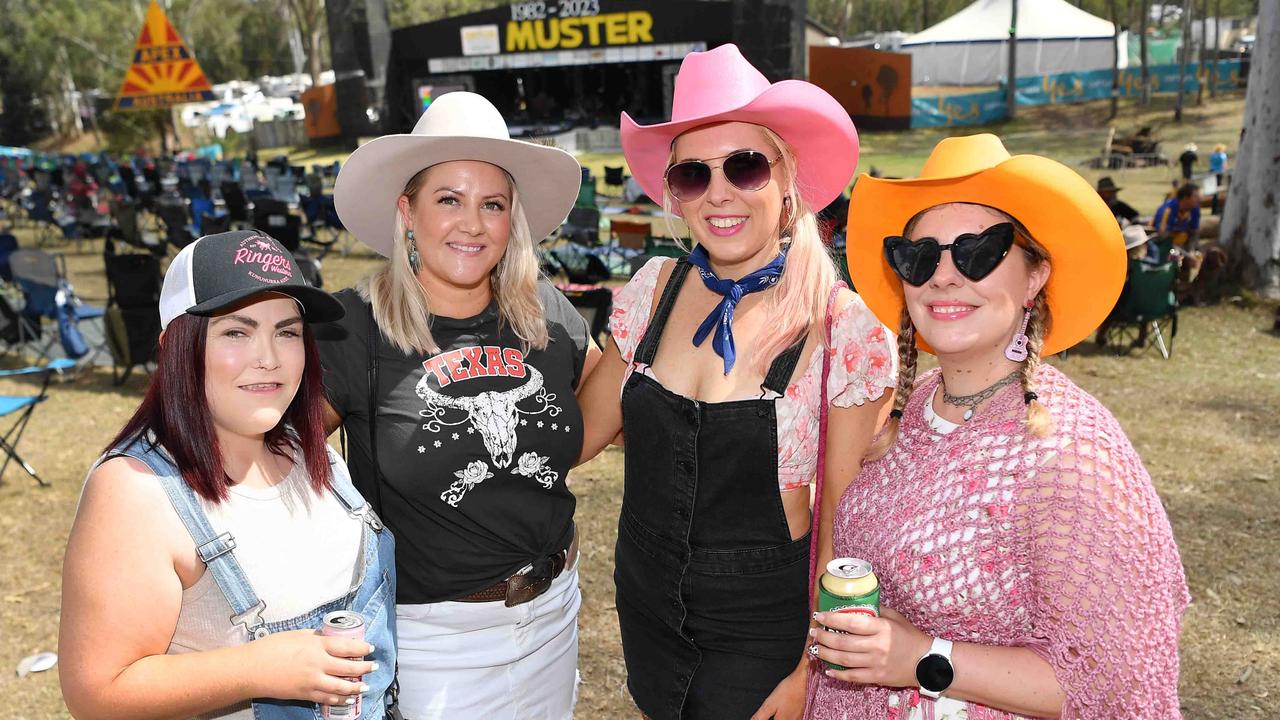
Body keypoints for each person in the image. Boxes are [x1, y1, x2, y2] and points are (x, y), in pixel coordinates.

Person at [810, 134, 1188, 719]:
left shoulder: (1071, 451)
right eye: (919, 257)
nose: (942, 277)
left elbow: (1111, 680)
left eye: (977, 251)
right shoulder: (903, 419)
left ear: (1035, 276)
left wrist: (922, 657)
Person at [576, 45, 896, 720]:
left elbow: (842, 516)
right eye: (694, 174)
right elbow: (581, 434)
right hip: (647, 604)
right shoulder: (650, 292)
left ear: (787, 177)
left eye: (744, 166)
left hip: (762, 630)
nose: (718, 193)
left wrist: (819, 665)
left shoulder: (841, 327)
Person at [320, 91, 597, 720]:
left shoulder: (544, 315)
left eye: (491, 204)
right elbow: (275, 464)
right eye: (448, 199)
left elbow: (602, 417)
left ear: (511, 219)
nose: (471, 224)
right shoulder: (354, 327)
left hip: (553, 614)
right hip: (432, 642)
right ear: (407, 211)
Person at [60, 230, 396, 719]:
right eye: (236, 332)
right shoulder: (135, 491)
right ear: (175, 346)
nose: (270, 357)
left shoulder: (310, 453)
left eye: (287, 331)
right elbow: (98, 693)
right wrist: (254, 668)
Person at [1153, 182, 1202, 251]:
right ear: (1185, 198)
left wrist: (1192, 251)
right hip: (1165, 247)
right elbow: (1164, 239)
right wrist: (1187, 255)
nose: (1199, 199)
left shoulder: (1195, 209)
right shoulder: (1167, 210)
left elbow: (1194, 234)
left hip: (1183, 246)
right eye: (1195, 197)